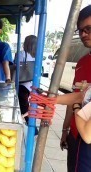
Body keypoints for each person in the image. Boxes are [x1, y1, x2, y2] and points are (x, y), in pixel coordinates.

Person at [59, 5, 91, 172]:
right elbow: (75, 96)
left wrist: (79, 101)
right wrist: (65, 129)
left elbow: (79, 99)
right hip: (75, 133)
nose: (84, 34)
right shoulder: (82, 62)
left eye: (89, 29)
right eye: (81, 30)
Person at [17, 35, 38, 133]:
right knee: (25, 106)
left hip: (21, 85)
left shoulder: (21, 54)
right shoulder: (37, 56)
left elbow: (15, 67)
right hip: (29, 86)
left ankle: (33, 131)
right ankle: (31, 129)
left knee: (22, 108)